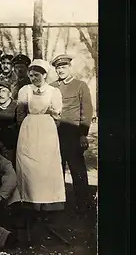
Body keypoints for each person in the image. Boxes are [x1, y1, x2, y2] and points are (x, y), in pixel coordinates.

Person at [16, 59, 65, 212]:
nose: (33, 78)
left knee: (46, 163)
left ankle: (49, 201)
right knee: (28, 163)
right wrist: (25, 127)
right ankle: (29, 200)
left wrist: (47, 126)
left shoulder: (53, 91)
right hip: (29, 127)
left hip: (46, 128)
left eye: (37, 75)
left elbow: (57, 115)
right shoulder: (25, 90)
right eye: (31, 75)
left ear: (44, 74)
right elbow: (20, 112)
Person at [50, 54, 94, 213]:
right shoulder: (52, 86)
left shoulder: (80, 85)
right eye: (58, 68)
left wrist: (83, 134)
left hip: (74, 135)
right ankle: (60, 204)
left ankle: (84, 205)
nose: (61, 70)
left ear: (69, 67)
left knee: (78, 171)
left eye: (63, 67)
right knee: (56, 170)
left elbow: (87, 110)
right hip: (55, 135)